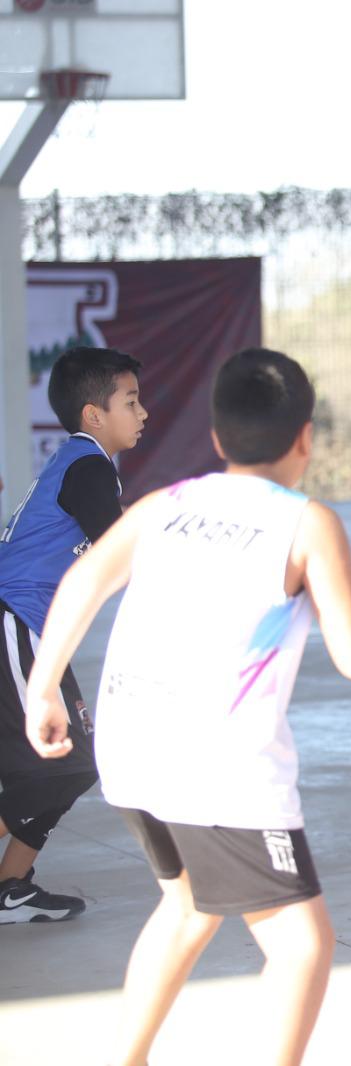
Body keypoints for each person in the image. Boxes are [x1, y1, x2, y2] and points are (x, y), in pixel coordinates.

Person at [25, 348, 351, 1065]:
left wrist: (43, 686)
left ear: (215, 438)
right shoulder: (305, 523)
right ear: (305, 437)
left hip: (132, 748)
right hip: (220, 769)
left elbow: (84, 581)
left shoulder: (164, 505)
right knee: (303, 946)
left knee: (185, 910)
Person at [0, 346, 146, 923]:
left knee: (63, 763)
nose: (143, 413)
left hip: (28, 629)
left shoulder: (83, 465)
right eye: (130, 401)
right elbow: (120, 552)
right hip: (13, 624)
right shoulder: (87, 466)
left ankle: (11, 886)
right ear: (93, 415)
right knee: (66, 762)